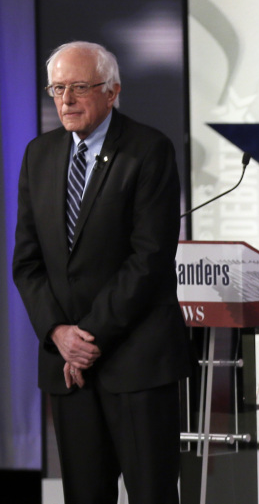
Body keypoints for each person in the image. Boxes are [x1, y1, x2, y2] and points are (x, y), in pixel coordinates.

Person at [13, 42, 191, 504]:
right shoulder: (39, 155)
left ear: (112, 92)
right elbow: (27, 263)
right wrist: (57, 331)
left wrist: (85, 338)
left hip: (137, 362)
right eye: (57, 88)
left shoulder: (148, 150)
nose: (65, 100)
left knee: (152, 494)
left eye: (78, 88)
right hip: (70, 373)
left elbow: (148, 259)